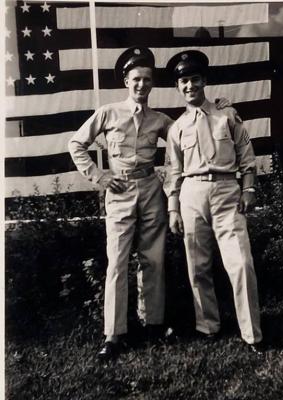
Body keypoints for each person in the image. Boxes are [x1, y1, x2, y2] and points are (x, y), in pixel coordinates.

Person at [69, 47, 231, 359]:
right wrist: (99, 176)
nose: (142, 84)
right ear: (126, 81)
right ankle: (113, 335)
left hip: (151, 191)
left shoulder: (160, 121)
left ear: (152, 84)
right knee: (117, 263)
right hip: (119, 191)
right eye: (136, 79)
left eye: (146, 79)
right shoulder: (108, 112)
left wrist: (219, 107)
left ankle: (153, 324)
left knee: (152, 260)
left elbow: (192, 129)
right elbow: (76, 143)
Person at [164, 50, 264, 353]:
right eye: (183, 81)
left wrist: (249, 190)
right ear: (178, 86)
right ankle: (208, 326)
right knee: (198, 267)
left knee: (241, 263)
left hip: (225, 192)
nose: (189, 86)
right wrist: (173, 208)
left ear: (204, 81)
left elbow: (246, 157)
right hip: (192, 195)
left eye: (194, 79)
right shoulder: (176, 128)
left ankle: (252, 334)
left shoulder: (227, 116)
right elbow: (173, 171)